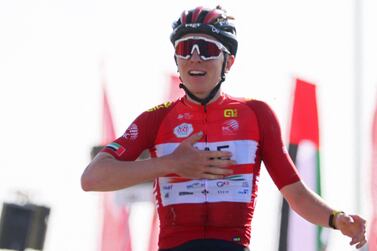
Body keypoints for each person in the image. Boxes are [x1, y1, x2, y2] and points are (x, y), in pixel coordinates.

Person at [81, 6, 367, 251]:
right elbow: (92, 178)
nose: (194, 58)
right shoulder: (156, 119)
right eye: (185, 49)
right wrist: (170, 164)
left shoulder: (256, 114)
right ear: (176, 61)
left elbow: (297, 194)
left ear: (228, 61)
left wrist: (336, 218)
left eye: (206, 49)